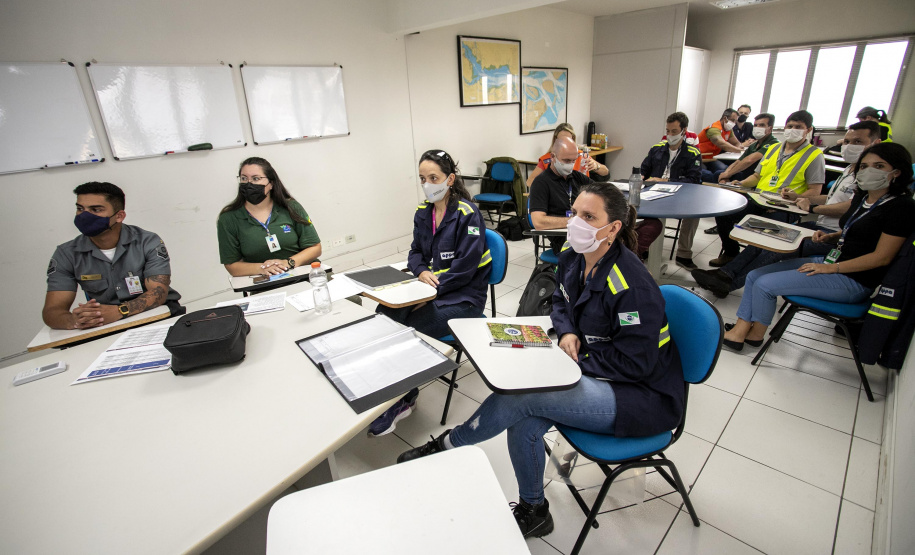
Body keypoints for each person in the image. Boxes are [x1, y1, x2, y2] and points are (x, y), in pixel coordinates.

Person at [395, 183, 684, 538]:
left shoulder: (632, 286)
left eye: (589, 216)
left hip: (639, 395)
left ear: (613, 229)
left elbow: (636, 363)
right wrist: (565, 334)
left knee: (524, 397)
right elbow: (560, 303)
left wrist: (576, 359)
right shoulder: (573, 256)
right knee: (525, 418)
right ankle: (535, 509)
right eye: (574, 213)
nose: (576, 222)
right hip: (595, 371)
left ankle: (448, 445)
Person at [722, 142, 915, 352]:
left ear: (896, 172)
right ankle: (747, 333)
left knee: (764, 284)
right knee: (754, 275)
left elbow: (882, 257)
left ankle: (748, 334)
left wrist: (831, 268)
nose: (868, 171)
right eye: (864, 166)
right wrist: (833, 236)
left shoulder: (901, 207)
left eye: (879, 166)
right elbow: (863, 230)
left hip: (853, 279)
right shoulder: (864, 197)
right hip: (834, 261)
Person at [367, 149, 492, 437]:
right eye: (423, 178)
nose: (427, 184)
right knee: (383, 315)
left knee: (409, 329)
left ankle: (403, 399)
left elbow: (465, 269)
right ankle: (382, 385)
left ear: (450, 179)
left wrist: (429, 290)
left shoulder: (467, 214)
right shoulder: (423, 212)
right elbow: (414, 253)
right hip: (429, 288)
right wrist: (421, 272)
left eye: (433, 177)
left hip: (463, 298)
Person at [692, 121, 881, 297]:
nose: (849, 146)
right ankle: (726, 271)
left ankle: (729, 283)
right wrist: (740, 184)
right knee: (752, 229)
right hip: (772, 203)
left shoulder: (865, 175)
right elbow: (831, 198)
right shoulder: (850, 170)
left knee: (774, 244)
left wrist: (812, 206)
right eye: (847, 141)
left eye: (857, 142)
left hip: (828, 230)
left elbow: (850, 206)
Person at [43, 182, 182, 330]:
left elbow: (158, 293)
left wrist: (120, 311)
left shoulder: (147, 241)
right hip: (104, 325)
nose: (85, 215)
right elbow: (52, 311)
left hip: (153, 316)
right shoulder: (67, 253)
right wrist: (76, 320)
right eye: (80, 209)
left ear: (119, 216)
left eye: (96, 209)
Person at [710, 110, 825, 267]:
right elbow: (757, 177)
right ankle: (731, 253)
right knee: (724, 213)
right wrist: (741, 183)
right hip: (759, 199)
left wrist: (793, 198)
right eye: (790, 126)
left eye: (798, 127)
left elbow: (815, 191)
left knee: (766, 229)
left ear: (809, 130)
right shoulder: (773, 149)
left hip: (784, 208)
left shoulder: (814, 155)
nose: (792, 130)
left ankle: (735, 269)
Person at [530, 136, 662, 259]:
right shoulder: (541, 183)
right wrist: (576, 221)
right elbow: (538, 222)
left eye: (573, 160)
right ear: (553, 157)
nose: (570, 164)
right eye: (566, 161)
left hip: (594, 230)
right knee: (617, 242)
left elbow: (604, 193)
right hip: (568, 239)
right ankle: (626, 260)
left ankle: (628, 260)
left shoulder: (576, 177)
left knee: (652, 224)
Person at [217, 157, 321, 277]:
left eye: (256, 179)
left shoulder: (290, 207)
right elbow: (232, 266)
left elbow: (315, 248)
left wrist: (287, 263)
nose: (249, 184)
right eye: (244, 178)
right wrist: (263, 268)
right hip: (263, 280)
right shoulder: (228, 218)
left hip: (303, 273)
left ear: (271, 183)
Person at [640, 112, 703, 269]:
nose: (669, 135)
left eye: (674, 131)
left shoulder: (692, 153)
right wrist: (641, 178)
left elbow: (694, 180)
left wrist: (665, 181)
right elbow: (643, 171)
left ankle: (684, 253)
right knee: (635, 207)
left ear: (684, 130)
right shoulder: (656, 149)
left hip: (681, 195)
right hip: (653, 193)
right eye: (667, 131)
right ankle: (644, 247)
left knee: (693, 214)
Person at [700, 113, 779, 184]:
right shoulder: (754, 145)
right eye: (755, 125)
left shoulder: (773, 144)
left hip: (757, 177)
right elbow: (738, 161)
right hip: (705, 157)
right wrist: (726, 175)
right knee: (719, 173)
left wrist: (728, 174)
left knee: (719, 173)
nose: (757, 128)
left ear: (770, 129)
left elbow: (749, 160)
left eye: (761, 125)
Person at [525, 123, 609, 188]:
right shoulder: (547, 159)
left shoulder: (582, 156)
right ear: (555, 140)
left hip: (581, 196)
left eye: (568, 140)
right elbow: (529, 182)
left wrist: (596, 166)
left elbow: (605, 172)